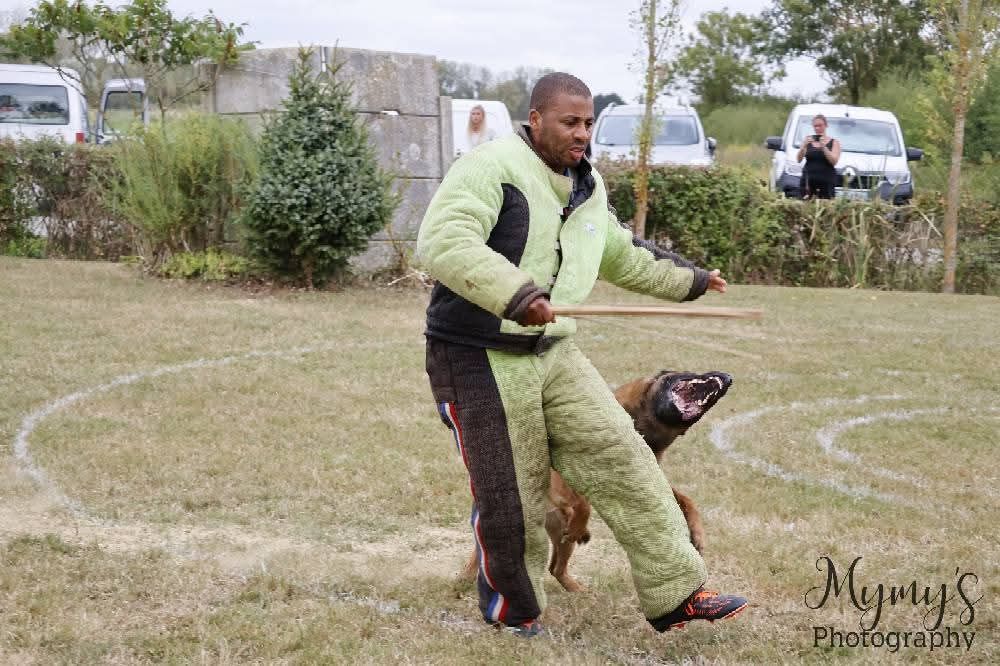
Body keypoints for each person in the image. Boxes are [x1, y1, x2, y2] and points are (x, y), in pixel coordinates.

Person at [416, 72, 748, 638]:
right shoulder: (491, 166)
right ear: (536, 120)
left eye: (589, 122)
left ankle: (677, 593)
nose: (582, 134)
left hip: (552, 352)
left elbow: (617, 250)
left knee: (625, 455)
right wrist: (517, 294)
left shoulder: (587, 185)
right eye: (570, 122)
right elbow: (444, 240)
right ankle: (514, 614)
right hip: (477, 354)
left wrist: (690, 279)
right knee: (512, 492)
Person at [796, 114, 841, 199]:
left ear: (826, 126)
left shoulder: (834, 142)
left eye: (820, 125)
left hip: (826, 182)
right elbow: (798, 159)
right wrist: (803, 146)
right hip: (808, 181)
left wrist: (824, 147)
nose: (817, 128)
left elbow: (834, 161)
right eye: (815, 126)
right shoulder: (808, 140)